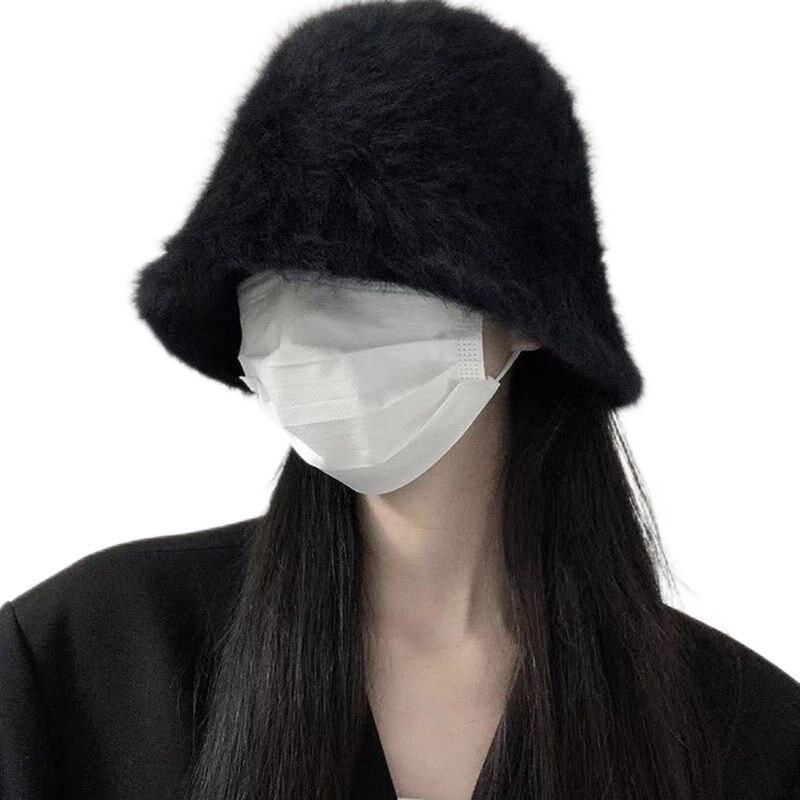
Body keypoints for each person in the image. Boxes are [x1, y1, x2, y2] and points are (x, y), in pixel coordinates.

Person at [2, 1, 799, 799]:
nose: (306, 329)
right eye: (269, 283)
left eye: (363, 275)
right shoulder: (85, 664)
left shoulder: (749, 736)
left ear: (526, 313)